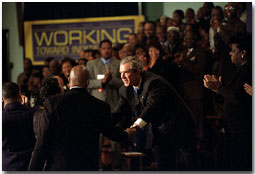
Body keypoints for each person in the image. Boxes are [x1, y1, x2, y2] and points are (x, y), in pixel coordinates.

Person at [28, 65, 135, 171]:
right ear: (87, 82)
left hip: (60, 166)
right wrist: (126, 135)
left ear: (69, 80)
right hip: (87, 167)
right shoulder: (100, 106)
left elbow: (42, 141)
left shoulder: (53, 103)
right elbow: (110, 131)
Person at [113, 56, 195, 170]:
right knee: (164, 165)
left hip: (180, 127)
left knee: (189, 166)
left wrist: (135, 127)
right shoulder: (125, 89)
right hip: (159, 130)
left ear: (138, 72)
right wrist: (104, 123)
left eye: (126, 73)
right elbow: (118, 111)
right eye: (121, 73)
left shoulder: (154, 82)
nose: (122, 77)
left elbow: (152, 108)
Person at [203, 33, 252, 171]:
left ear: (243, 53)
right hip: (234, 127)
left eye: (234, 51)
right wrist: (217, 89)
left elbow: (238, 98)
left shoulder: (248, 70)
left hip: (242, 129)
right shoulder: (239, 70)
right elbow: (230, 96)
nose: (230, 53)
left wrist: (219, 88)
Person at [2, 82, 35, 171]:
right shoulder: (32, 113)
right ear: (20, 95)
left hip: (9, 165)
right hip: (30, 164)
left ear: (2, 98)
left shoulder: (2, 117)